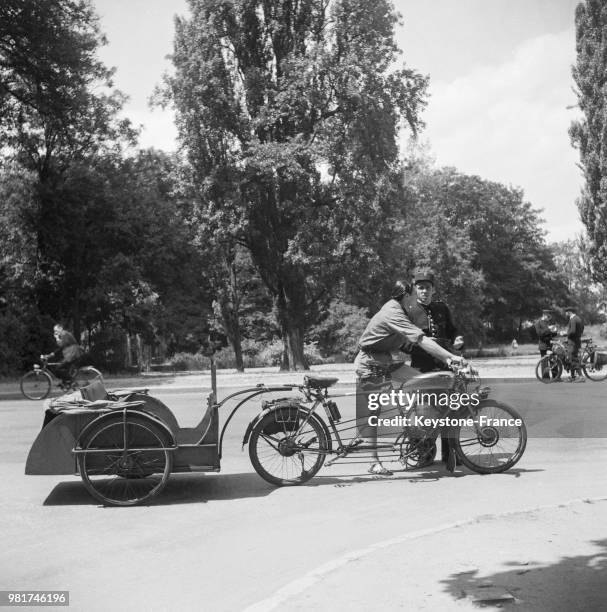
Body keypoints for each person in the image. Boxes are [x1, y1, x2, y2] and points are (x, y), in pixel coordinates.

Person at [354, 279, 464, 476]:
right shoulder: (393, 311)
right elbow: (420, 339)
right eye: (414, 293)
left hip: (386, 359)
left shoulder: (402, 311)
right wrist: (450, 357)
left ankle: (422, 440)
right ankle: (373, 460)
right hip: (370, 362)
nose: (417, 297)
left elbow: (416, 339)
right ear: (406, 296)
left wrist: (447, 352)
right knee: (374, 412)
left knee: (426, 384)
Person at [403, 269, 464, 464]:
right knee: (424, 414)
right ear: (415, 290)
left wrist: (458, 340)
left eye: (427, 288)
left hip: (445, 368)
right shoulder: (409, 310)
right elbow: (402, 342)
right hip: (422, 369)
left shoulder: (442, 308)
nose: (424, 291)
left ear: (433, 289)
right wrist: (422, 344)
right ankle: (424, 453)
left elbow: (454, 331)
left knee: (451, 411)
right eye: (420, 287)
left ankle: (451, 453)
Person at [563, 306, 585, 382]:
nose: (565, 313)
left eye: (566, 312)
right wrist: (578, 335)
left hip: (573, 342)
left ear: (569, 312)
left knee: (573, 359)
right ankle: (572, 377)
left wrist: (566, 334)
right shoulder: (578, 318)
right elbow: (582, 328)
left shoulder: (573, 319)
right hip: (577, 341)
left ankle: (581, 377)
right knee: (571, 358)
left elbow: (572, 331)